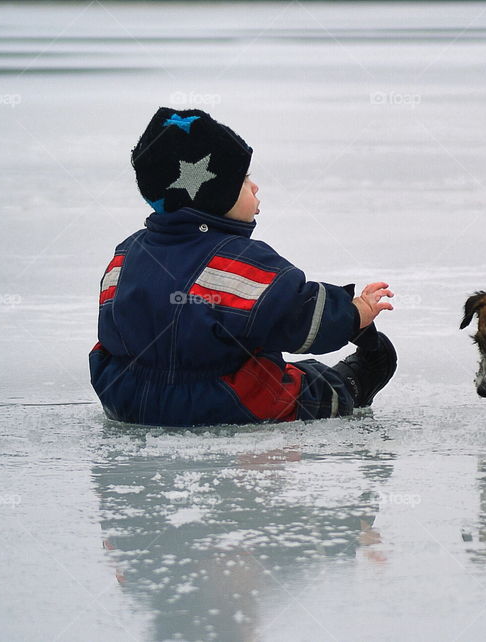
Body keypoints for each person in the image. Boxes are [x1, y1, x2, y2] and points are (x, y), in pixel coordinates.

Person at [89, 107, 396, 426]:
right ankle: (348, 386)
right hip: (221, 402)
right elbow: (296, 318)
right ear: (213, 196)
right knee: (307, 387)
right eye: (244, 179)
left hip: (128, 399)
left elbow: (113, 328)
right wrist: (353, 312)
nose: (255, 187)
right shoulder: (234, 262)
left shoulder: (127, 254)